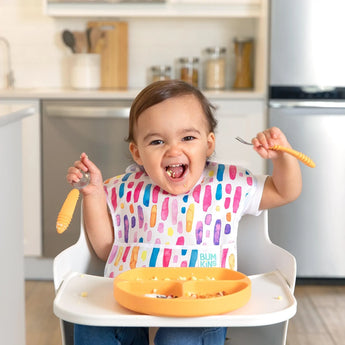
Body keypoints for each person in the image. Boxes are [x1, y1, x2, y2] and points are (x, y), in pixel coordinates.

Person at [67, 80, 302, 345]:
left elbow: (285, 191)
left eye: (188, 137)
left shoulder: (227, 185)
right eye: (157, 141)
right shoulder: (126, 190)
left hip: (202, 308)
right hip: (131, 303)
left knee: (179, 339)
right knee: (93, 327)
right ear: (137, 153)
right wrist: (94, 194)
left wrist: (283, 156)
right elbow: (107, 250)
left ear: (209, 144)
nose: (173, 149)